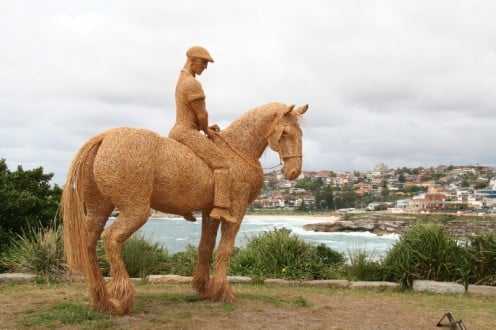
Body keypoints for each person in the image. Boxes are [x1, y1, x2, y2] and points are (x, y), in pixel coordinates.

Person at [169, 46, 237, 224]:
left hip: (176, 130)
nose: (205, 67)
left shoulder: (181, 79)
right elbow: (201, 115)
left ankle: (185, 205)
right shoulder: (192, 83)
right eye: (204, 62)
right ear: (194, 60)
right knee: (222, 165)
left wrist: (204, 127)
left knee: (190, 168)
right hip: (186, 132)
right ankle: (221, 207)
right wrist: (206, 130)